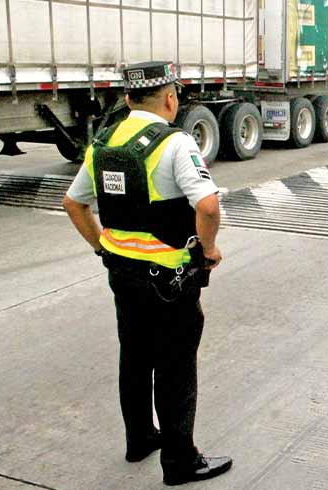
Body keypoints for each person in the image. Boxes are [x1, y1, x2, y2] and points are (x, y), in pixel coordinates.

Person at [61, 61, 232, 486]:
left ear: (126, 98)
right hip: (169, 280)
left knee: (134, 357)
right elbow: (208, 206)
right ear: (171, 98)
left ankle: (139, 439)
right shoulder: (175, 143)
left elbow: (74, 202)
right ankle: (180, 461)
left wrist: (102, 245)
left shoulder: (103, 143)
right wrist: (208, 249)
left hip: (121, 273)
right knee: (175, 366)